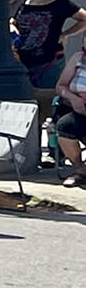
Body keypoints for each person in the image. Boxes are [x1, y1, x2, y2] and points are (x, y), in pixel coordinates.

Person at [11, 0, 86, 88]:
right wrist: (12, 28)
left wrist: (65, 34)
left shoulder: (60, 3)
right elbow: (13, 20)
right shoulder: (26, 2)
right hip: (23, 62)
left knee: (46, 99)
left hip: (49, 64)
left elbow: (84, 18)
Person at [50, 49, 86, 187]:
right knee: (65, 125)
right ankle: (80, 170)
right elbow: (61, 86)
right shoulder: (78, 58)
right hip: (78, 108)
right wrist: (73, 99)